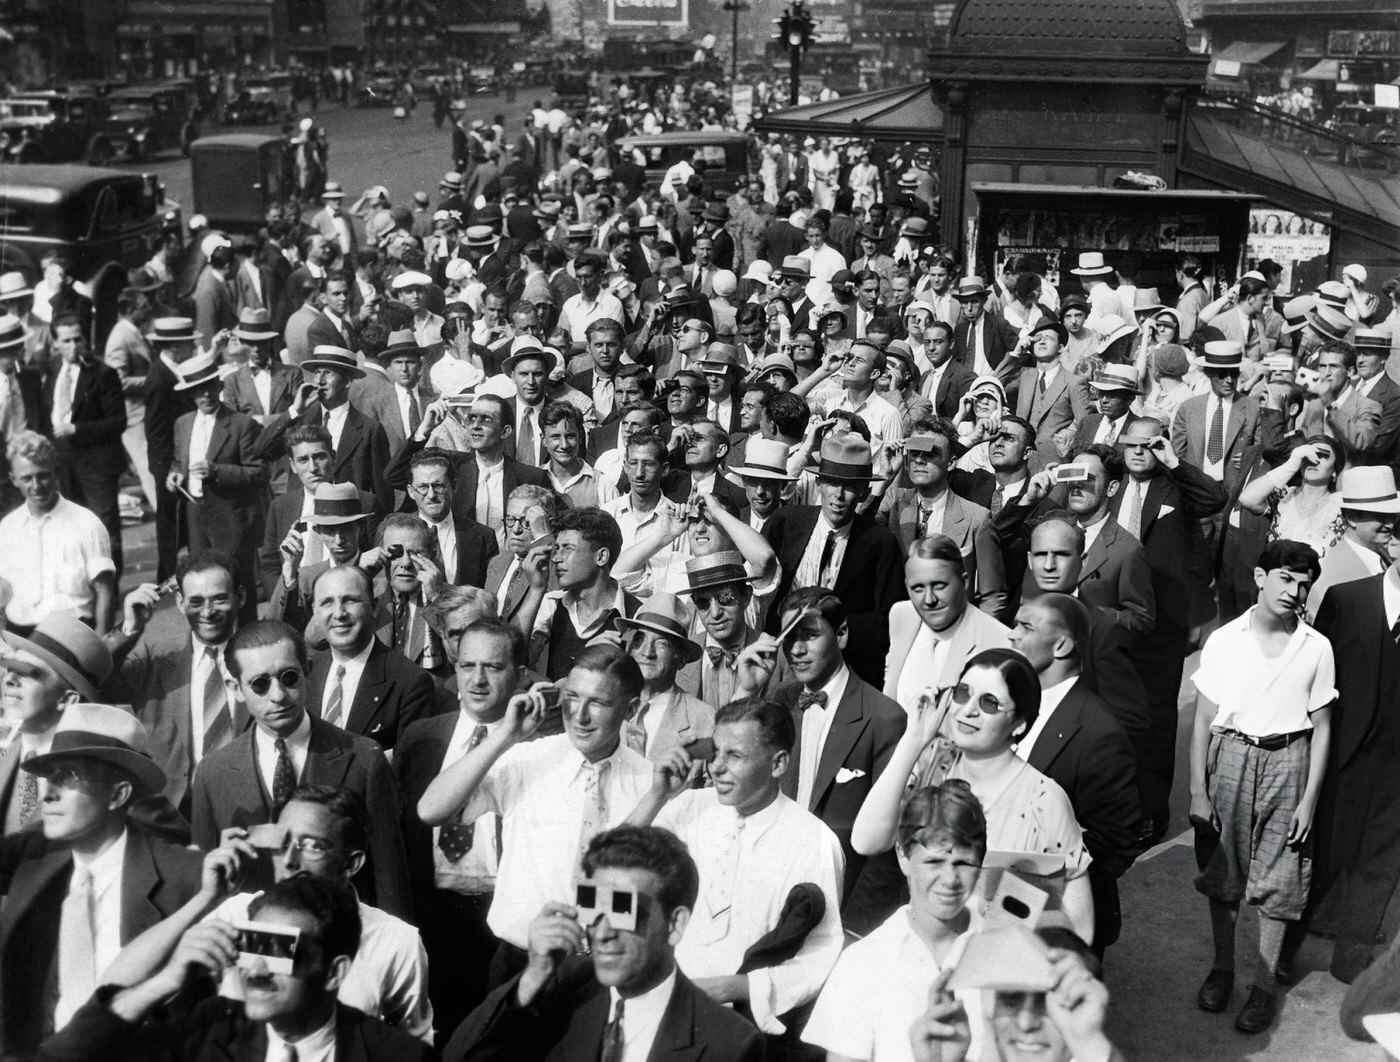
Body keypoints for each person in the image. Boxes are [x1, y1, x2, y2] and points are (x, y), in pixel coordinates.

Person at [100, 783, 433, 1043]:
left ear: (352, 863)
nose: (289, 861)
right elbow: (126, 984)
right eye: (283, 842)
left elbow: (415, 1044)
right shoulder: (236, 914)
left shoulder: (394, 941)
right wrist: (205, 898)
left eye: (312, 846)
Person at [416, 644, 654, 987]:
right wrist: (506, 735)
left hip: (607, 971)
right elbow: (431, 809)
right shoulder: (529, 760)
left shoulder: (650, 783)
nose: (580, 715)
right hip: (520, 964)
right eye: (573, 697)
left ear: (630, 709)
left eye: (598, 703)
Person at [442, 824, 764, 1061]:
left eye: (624, 910)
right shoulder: (559, 992)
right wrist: (532, 978)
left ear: (674, 924)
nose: (603, 931)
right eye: (593, 906)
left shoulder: (730, 1045)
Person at [625, 697, 845, 1036]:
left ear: (778, 764)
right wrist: (656, 796)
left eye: (735, 756)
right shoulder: (687, 807)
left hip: (745, 1029)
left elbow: (820, 955)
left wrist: (736, 988)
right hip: (660, 1009)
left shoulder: (814, 841)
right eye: (715, 753)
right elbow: (611, 869)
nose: (716, 767)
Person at [38, 874, 431, 1062]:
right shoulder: (206, 1031)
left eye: (279, 950)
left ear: (334, 972)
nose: (255, 970)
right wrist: (164, 982)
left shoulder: (401, 1058)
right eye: (251, 944)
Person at [852, 648, 1095, 942]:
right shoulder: (934, 764)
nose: (968, 710)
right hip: (924, 952)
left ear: (1019, 724)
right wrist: (913, 739)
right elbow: (866, 841)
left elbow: (1081, 928)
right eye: (963, 692)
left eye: (990, 703)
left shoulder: (1044, 800)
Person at [0, 703, 202, 1056]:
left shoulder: (184, 879)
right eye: (49, 777)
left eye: (68, 777)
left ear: (118, 795)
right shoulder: (32, 866)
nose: (47, 794)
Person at [1190, 540, 1334, 1033]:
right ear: (1259, 577)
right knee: (1223, 872)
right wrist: (1195, 789)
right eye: (1286, 579)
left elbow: (1323, 726)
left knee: (1281, 878)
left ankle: (1263, 986)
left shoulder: (1316, 646)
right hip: (1231, 754)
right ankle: (1223, 969)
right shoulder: (1226, 639)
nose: (1295, 592)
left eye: (1304, 584)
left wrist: (1310, 799)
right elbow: (1205, 718)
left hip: (1289, 759)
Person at [187, 619, 412, 920]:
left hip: (342, 943)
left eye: (289, 677)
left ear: (307, 671)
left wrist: (390, 952)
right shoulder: (212, 773)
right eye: (260, 684)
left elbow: (389, 879)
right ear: (236, 688)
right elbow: (206, 889)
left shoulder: (362, 759)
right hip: (257, 950)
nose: (278, 695)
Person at [735, 587, 907, 934]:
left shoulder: (884, 718)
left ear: (841, 634)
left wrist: (854, 931)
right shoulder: (775, 703)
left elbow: (890, 848)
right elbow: (734, 787)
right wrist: (747, 691)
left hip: (841, 911)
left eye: (810, 636)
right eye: (789, 640)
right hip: (768, 901)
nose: (796, 650)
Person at [396, 617, 525, 1029]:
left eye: (493, 667)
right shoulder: (420, 738)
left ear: (519, 674)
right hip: (432, 915)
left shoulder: (536, 745)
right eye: (468, 666)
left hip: (500, 921)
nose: (478, 679)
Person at [804, 781, 991, 1062]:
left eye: (964, 864)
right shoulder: (861, 963)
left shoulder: (1009, 951)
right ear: (903, 856)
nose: (950, 880)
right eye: (933, 862)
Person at [1009, 593, 1143, 954]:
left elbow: (1117, 841)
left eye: (1025, 627)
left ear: (1063, 645)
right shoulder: (1011, 703)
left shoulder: (1100, 731)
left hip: (1060, 922)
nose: (1012, 634)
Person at [762, 433, 906, 687]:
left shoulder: (880, 543)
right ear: (818, 483)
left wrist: (834, 625)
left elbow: (891, 620)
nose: (838, 495)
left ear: (863, 492)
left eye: (849, 486)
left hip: (844, 670)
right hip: (781, 662)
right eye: (832, 482)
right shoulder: (786, 523)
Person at [110, 551, 250, 814]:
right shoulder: (156, 662)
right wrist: (127, 630)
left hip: (247, 809)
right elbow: (88, 678)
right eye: (195, 602)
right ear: (179, 602)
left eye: (219, 599)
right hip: (174, 813)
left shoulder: (260, 658)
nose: (207, 612)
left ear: (239, 597)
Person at [167, 351, 265, 623]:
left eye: (209, 388)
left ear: (219, 387)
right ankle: (210, 645)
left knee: (237, 588)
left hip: (231, 519)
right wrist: (175, 474)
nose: (206, 396)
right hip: (196, 516)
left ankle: (248, 644)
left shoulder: (241, 424)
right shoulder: (183, 424)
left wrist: (217, 472)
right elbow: (178, 461)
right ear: (190, 395)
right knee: (203, 587)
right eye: (198, 391)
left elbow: (257, 472)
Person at [0, 611, 114, 835]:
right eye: (11, 667)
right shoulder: (4, 746)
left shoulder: (95, 776)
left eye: (30, 673)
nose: (10, 679)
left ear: (67, 699)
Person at [306, 563, 436, 754]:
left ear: (374, 607)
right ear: (315, 613)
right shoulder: (306, 672)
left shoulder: (410, 682)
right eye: (327, 602)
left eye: (350, 600)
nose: (339, 613)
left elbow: (412, 769)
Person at [0, 431, 116, 634]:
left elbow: (105, 590)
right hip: (20, 635)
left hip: (74, 635)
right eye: (27, 478)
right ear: (14, 479)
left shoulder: (85, 523)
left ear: (56, 473)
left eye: (43, 475)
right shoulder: (8, 527)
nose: (36, 486)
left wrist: (99, 647)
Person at [42, 312, 127, 586]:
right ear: (55, 343)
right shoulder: (53, 369)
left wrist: (77, 429)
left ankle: (110, 590)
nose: (73, 345)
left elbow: (118, 422)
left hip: (97, 462)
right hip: (63, 461)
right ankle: (83, 587)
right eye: (66, 340)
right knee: (69, 525)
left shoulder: (103, 374)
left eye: (78, 339)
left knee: (103, 526)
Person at [253, 345, 392, 511]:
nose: (320, 380)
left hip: (348, 522)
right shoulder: (300, 420)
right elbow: (261, 450)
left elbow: (382, 495)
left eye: (328, 373)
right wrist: (294, 410)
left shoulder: (369, 429)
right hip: (303, 518)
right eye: (317, 373)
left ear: (347, 381)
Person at [385, 392, 550, 527]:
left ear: (505, 432)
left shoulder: (530, 477)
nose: (476, 425)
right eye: (472, 418)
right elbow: (394, 475)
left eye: (486, 419)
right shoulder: (451, 466)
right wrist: (423, 430)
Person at [883, 534, 1014, 702]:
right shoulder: (902, 615)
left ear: (964, 582)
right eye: (917, 588)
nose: (929, 599)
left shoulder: (1001, 643)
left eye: (939, 585)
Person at [514, 507, 635, 681]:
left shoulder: (635, 614)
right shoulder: (553, 604)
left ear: (601, 557)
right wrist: (536, 589)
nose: (556, 558)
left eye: (567, 548)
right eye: (556, 548)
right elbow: (513, 660)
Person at [614, 593, 713, 760]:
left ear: (681, 658)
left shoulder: (705, 721)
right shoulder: (604, 706)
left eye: (661, 643)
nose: (647, 652)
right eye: (638, 640)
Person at [1304, 465, 1399, 620]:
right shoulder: (1333, 577)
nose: (1390, 524)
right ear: (1352, 517)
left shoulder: (1384, 553)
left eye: (1393, 515)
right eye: (1381, 516)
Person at [1237, 436, 1347, 560]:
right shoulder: (1283, 496)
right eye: (1308, 455)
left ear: (1335, 471)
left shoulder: (1341, 506)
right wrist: (1291, 464)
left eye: (1323, 455)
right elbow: (1247, 499)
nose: (1314, 460)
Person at [1008, 316, 1093, 469]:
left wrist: (1069, 434)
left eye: (1048, 338)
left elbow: (1085, 423)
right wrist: (1015, 353)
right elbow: (992, 385)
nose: (1041, 341)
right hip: (1018, 459)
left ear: (1061, 347)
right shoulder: (1024, 375)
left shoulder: (1074, 382)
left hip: (1053, 461)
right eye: (1037, 338)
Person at [406, 448, 498, 589]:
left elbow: (489, 593)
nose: (431, 495)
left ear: (454, 486)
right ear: (411, 491)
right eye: (422, 487)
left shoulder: (483, 537)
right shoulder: (397, 532)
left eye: (438, 486)